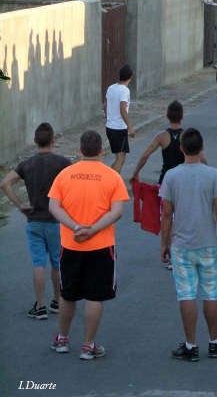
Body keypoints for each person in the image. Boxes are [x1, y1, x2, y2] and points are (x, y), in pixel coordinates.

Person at [48, 130, 129, 359]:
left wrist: (76, 228)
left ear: (80, 149)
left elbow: (54, 207)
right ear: (102, 150)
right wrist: (92, 230)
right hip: (101, 245)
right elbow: (117, 212)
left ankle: (62, 339)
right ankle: (88, 345)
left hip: (70, 244)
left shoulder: (65, 175)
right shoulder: (112, 176)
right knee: (95, 296)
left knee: (68, 294)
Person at [160, 128, 217, 362]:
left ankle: (191, 345)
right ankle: (214, 342)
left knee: (186, 294)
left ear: (181, 149)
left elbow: (167, 213)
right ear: (202, 148)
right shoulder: (213, 175)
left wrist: (164, 243)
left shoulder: (171, 176)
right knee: (211, 293)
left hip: (181, 244)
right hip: (208, 243)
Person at [1, 123, 72, 320]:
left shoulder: (26, 164)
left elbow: (5, 183)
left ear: (34, 141)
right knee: (57, 264)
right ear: (53, 140)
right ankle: (57, 301)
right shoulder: (63, 163)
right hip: (56, 220)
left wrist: (20, 205)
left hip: (34, 219)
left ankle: (40, 306)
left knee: (38, 263)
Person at [130, 101, 186, 186]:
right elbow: (200, 156)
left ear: (167, 116)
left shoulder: (161, 136)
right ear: (182, 116)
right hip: (182, 179)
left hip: (165, 180)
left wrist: (135, 172)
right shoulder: (187, 136)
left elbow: (145, 155)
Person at [104, 65, 135, 174]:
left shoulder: (111, 87)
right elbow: (123, 110)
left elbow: (105, 106)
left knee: (120, 157)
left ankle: (111, 181)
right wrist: (130, 128)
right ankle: (112, 183)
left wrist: (108, 118)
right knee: (120, 158)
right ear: (131, 77)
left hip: (110, 126)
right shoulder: (125, 91)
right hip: (119, 128)